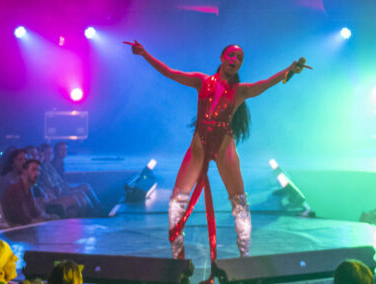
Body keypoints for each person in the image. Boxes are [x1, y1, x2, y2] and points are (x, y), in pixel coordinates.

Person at [124, 39, 306, 263]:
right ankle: (178, 259)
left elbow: (265, 83)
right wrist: (144, 54)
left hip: (224, 146)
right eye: (231, 55)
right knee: (176, 201)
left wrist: (289, 70)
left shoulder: (240, 91)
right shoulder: (201, 81)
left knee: (239, 203)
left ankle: (245, 259)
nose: (235, 60)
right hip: (199, 146)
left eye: (239, 58)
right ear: (221, 58)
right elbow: (170, 72)